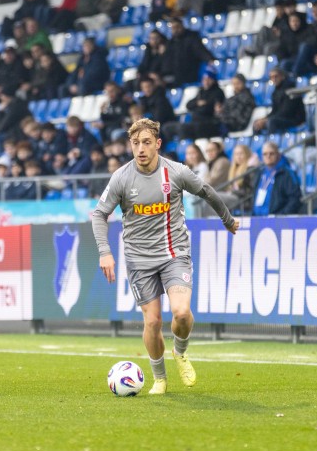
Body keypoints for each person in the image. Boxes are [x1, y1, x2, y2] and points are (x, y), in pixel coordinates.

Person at [92, 119, 238, 396]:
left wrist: (227, 220)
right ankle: (159, 378)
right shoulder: (122, 177)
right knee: (153, 322)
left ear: (157, 144)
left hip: (174, 254)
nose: (140, 149)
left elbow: (206, 191)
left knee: (181, 313)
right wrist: (105, 252)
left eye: (146, 142)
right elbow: (99, 214)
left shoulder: (176, 172)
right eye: (135, 143)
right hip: (139, 259)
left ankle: (180, 352)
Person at [162, 66, 225, 141]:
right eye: (204, 79)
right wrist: (198, 103)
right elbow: (188, 105)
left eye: (209, 79)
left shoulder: (218, 92)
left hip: (208, 124)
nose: (206, 81)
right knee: (166, 127)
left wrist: (199, 106)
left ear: (213, 80)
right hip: (195, 122)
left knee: (183, 128)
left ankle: (186, 147)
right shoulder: (201, 92)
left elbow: (207, 109)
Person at [251, 142, 302, 215]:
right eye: (265, 154)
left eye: (271, 153)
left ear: (278, 155)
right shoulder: (260, 173)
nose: (268, 156)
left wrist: (282, 215)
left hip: (276, 221)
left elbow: (295, 198)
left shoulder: (286, 173)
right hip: (258, 219)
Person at [253, 67, 305, 134]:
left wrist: (267, 120)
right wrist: (263, 119)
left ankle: (272, 142)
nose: (274, 79)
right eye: (271, 77)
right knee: (257, 123)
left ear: (282, 77)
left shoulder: (290, 89)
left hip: (294, 119)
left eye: (276, 76)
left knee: (271, 122)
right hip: (281, 117)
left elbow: (287, 111)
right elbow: (274, 111)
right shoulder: (275, 92)